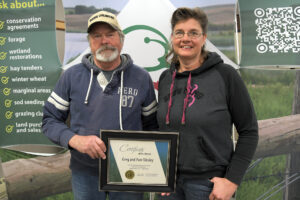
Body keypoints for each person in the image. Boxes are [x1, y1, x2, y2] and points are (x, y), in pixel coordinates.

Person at [42, 10, 158, 200]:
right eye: (97, 36)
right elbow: (49, 120)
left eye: (110, 35)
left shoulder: (141, 78)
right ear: (89, 42)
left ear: (121, 40)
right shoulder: (71, 76)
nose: (104, 41)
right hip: (85, 172)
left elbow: (152, 126)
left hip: (129, 172)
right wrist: (75, 140)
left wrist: (156, 168)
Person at [156, 7, 258, 200]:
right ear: (172, 37)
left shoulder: (225, 75)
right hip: (169, 185)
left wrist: (232, 181)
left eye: (193, 33)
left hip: (208, 185)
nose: (186, 38)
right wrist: (159, 173)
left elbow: (249, 131)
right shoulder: (166, 78)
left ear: (204, 38)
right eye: (180, 33)